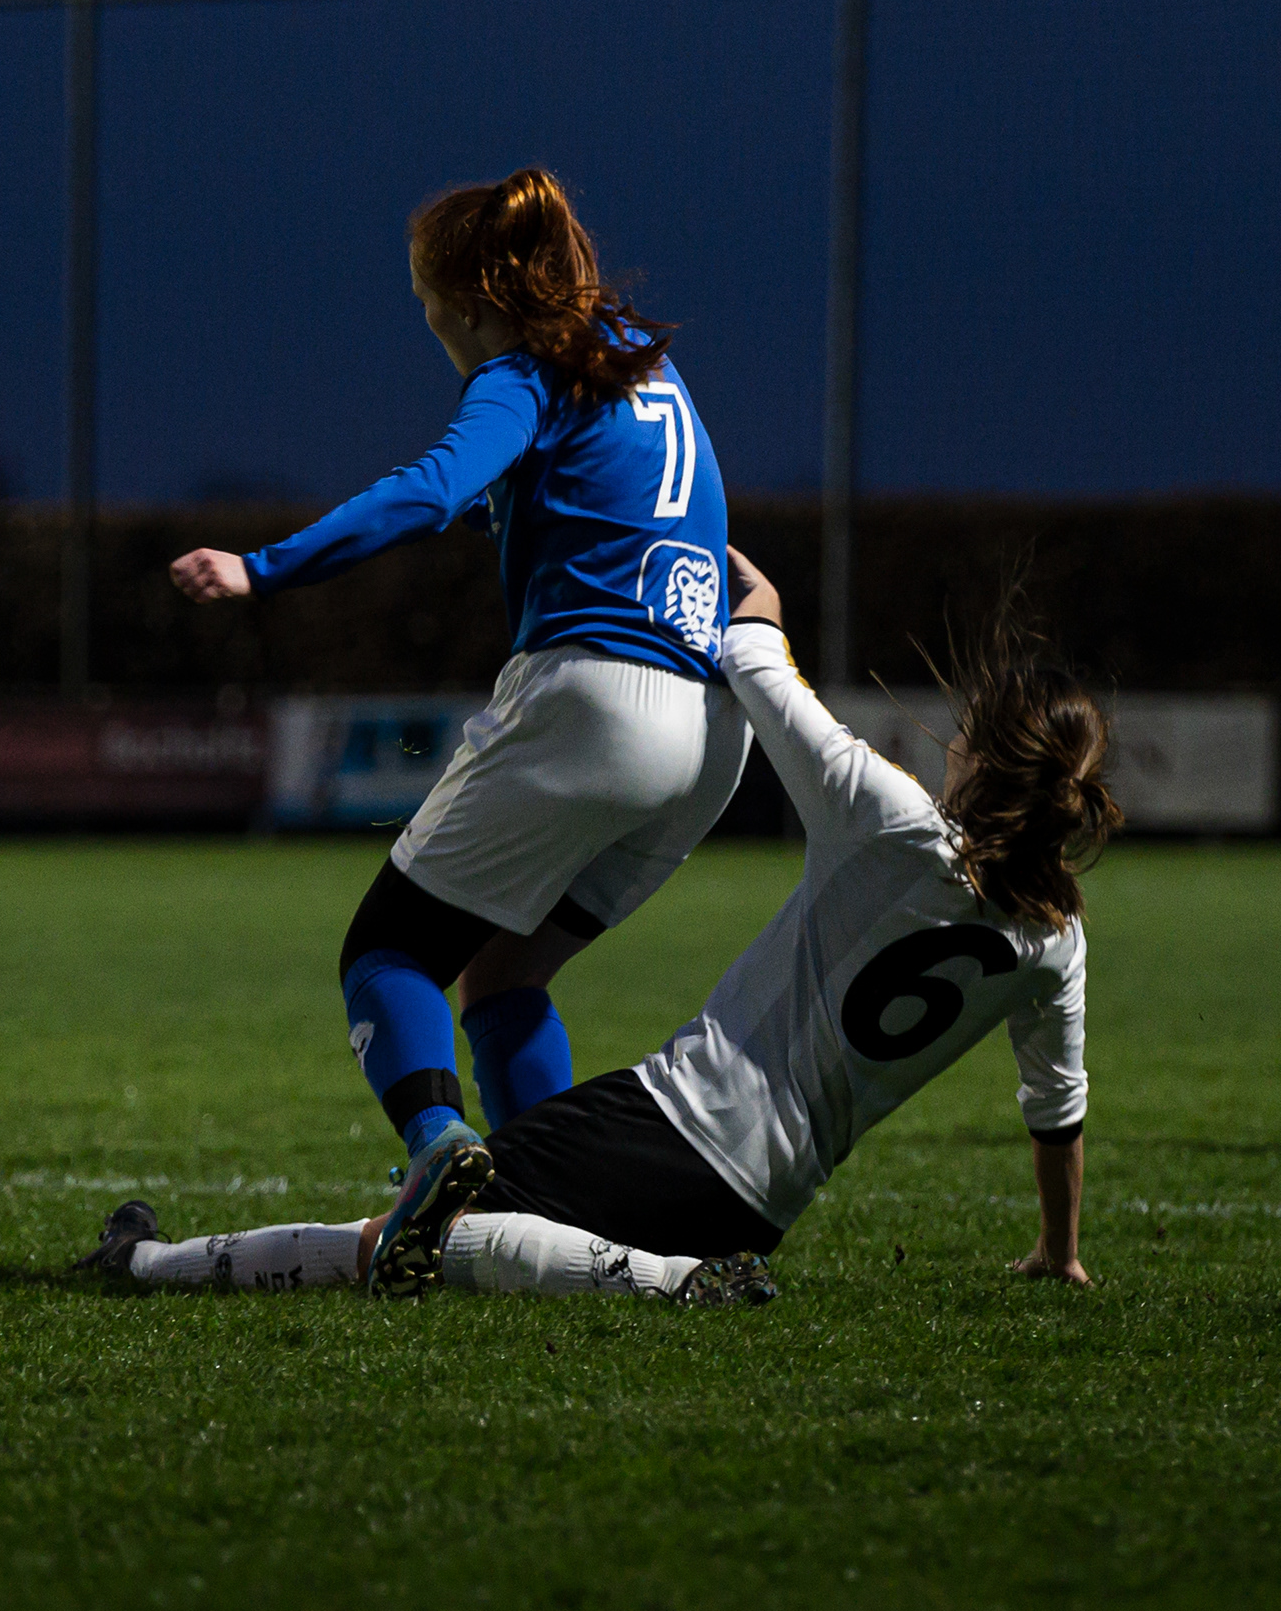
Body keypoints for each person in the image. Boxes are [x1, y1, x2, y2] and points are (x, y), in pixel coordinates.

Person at [82, 549, 1102, 1304]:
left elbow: (761, 673)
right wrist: (1059, 1250)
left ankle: (144, 1262)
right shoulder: (1055, 938)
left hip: (674, 1124)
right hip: (765, 1202)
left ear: (983, 754)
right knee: (483, 1186)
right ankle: (673, 1268)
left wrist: (760, 608)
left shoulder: (892, 823)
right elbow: (1056, 1106)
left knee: (403, 1237)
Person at [169, 167, 747, 1292]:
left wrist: (260, 567)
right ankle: (564, 1212)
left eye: (426, 299)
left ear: (476, 300)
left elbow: (435, 485)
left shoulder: (522, 374)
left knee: (387, 953)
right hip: (706, 731)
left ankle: (440, 1145)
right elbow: (588, 501)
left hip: (591, 701)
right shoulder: (638, 359)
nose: (427, 321)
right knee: (502, 976)